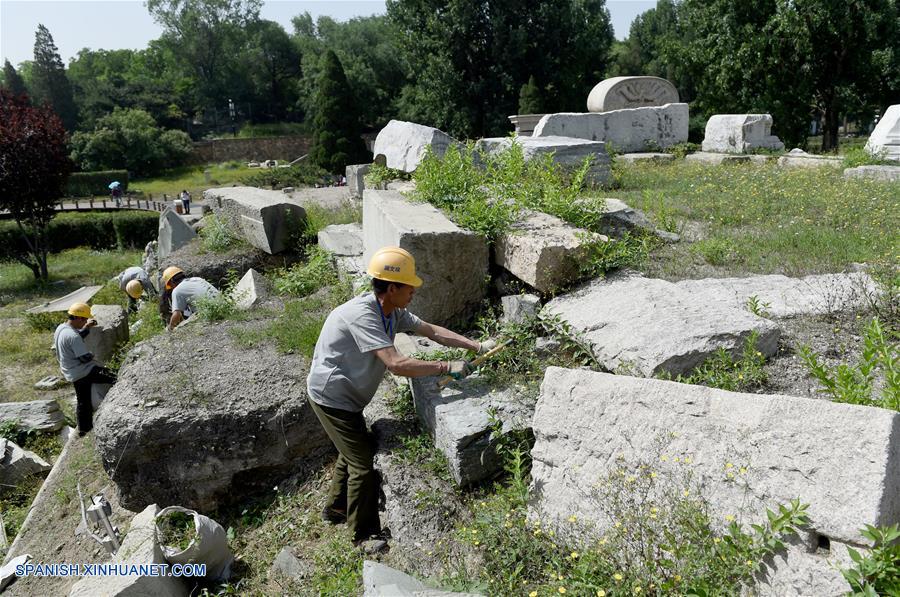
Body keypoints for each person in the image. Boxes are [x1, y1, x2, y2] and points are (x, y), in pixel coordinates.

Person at [306, 246, 496, 551]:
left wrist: (475, 345)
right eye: (410, 287)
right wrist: (446, 366)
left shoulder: (392, 311)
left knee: (354, 447)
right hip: (332, 398)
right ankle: (363, 536)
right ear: (392, 288)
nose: (414, 292)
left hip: (349, 397)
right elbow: (396, 364)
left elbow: (431, 330)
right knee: (362, 463)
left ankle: (336, 508)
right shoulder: (363, 315)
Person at [53, 303, 117, 436]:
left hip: (71, 371)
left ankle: (84, 429)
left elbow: (76, 337)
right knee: (114, 377)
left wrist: (87, 328)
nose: (85, 322)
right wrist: (91, 355)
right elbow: (84, 358)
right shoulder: (73, 336)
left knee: (83, 401)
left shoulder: (62, 328)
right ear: (78, 318)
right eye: (84, 320)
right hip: (83, 371)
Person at [161, 266, 220, 331]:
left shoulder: (177, 290)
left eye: (170, 285)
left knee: (181, 328)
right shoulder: (197, 279)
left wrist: (170, 327)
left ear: (172, 281)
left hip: (210, 313)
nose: (171, 287)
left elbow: (176, 314)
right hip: (222, 306)